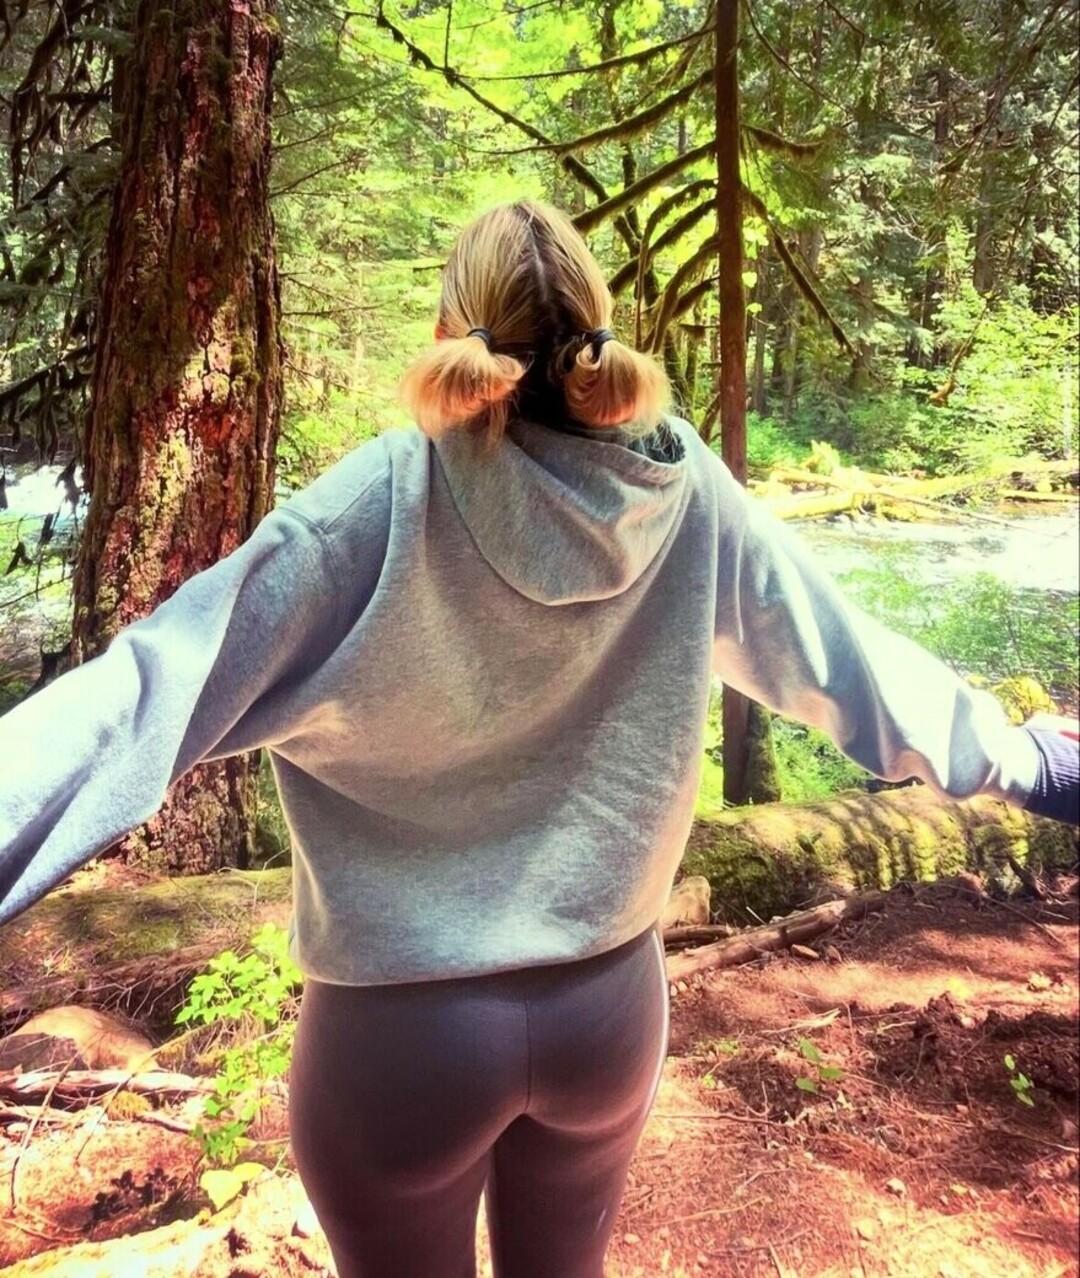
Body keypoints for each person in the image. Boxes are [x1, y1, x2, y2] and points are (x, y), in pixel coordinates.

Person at [1, 199, 1076, 1278]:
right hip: (606, 1013)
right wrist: (1027, 759)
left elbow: (146, 695)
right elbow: (841, 656)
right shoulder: (681, 488)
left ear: (451, 343)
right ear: (598, 346)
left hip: (399, 1041)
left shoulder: (379, 503)